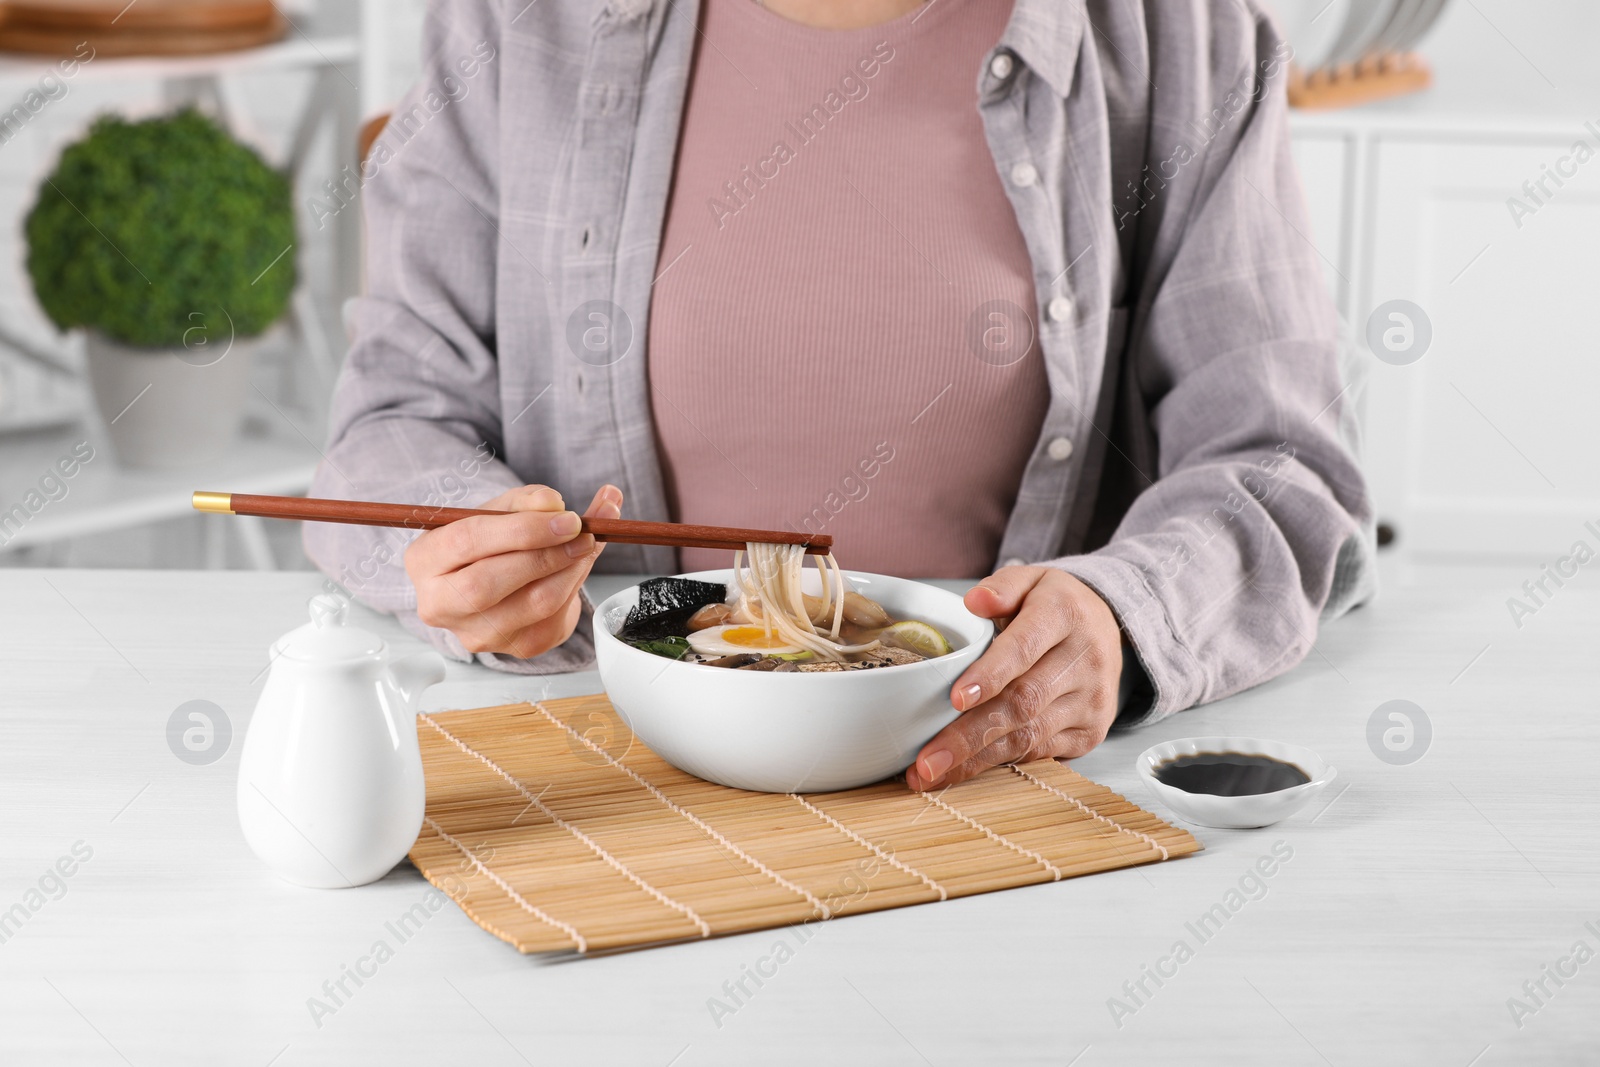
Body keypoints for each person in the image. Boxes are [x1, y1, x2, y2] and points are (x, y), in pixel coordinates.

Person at [306, 0, 1375, 792]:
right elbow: (394, 418)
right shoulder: (514, 21)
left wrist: (1125, 616)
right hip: (606, 782)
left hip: (1014, 783)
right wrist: (454, 541)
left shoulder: (1178, 31)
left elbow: (1279, 459)